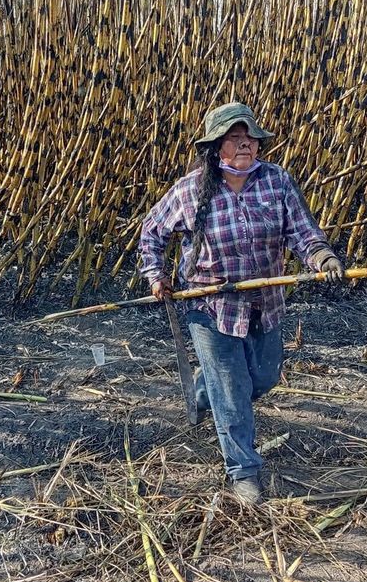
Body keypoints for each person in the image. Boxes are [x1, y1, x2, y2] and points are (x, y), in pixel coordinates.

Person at [138, 102, 344, 506]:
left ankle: (204, 393)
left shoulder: (276, 182)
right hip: (210, 304)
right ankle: (243, 471)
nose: (245, 145)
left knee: (263, 378)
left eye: (250, 138)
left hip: (264, 302)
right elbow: (151, 232)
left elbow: (302, 231)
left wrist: (321, 257)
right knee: (232, 391)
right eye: (235, 139)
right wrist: (156, 274)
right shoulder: (191, 189)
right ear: (216, 148)